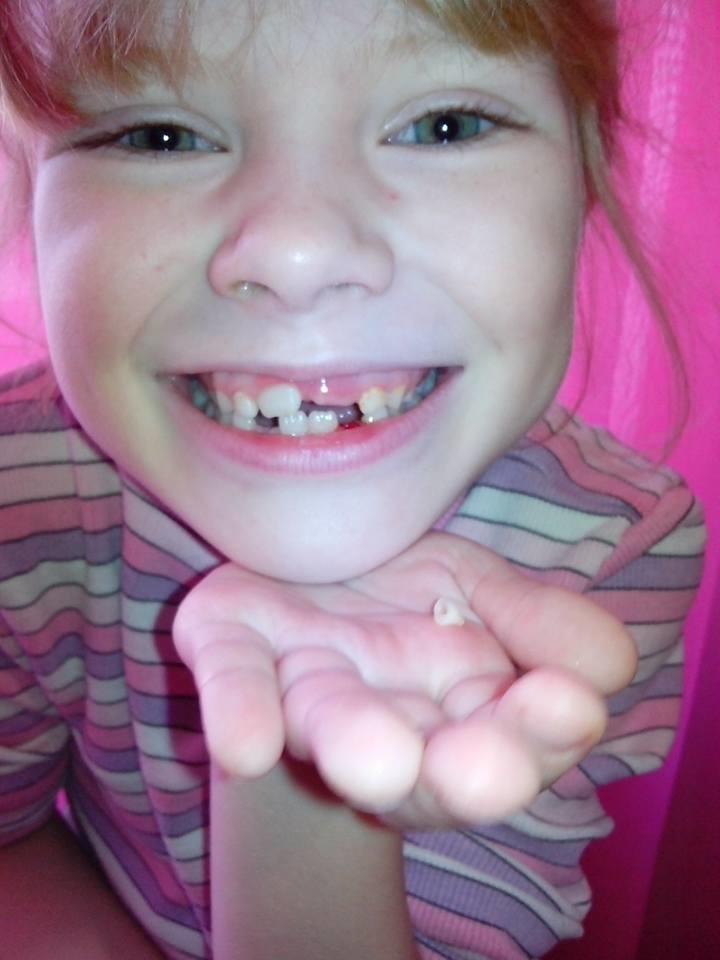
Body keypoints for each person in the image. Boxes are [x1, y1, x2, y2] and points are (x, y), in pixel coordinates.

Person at [0, 1, 705, 958]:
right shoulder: (21, 482)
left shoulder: (611, 543)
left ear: (583, 180)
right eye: (160, 137)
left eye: (444, 126)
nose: (297, 254)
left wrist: (304, 775)